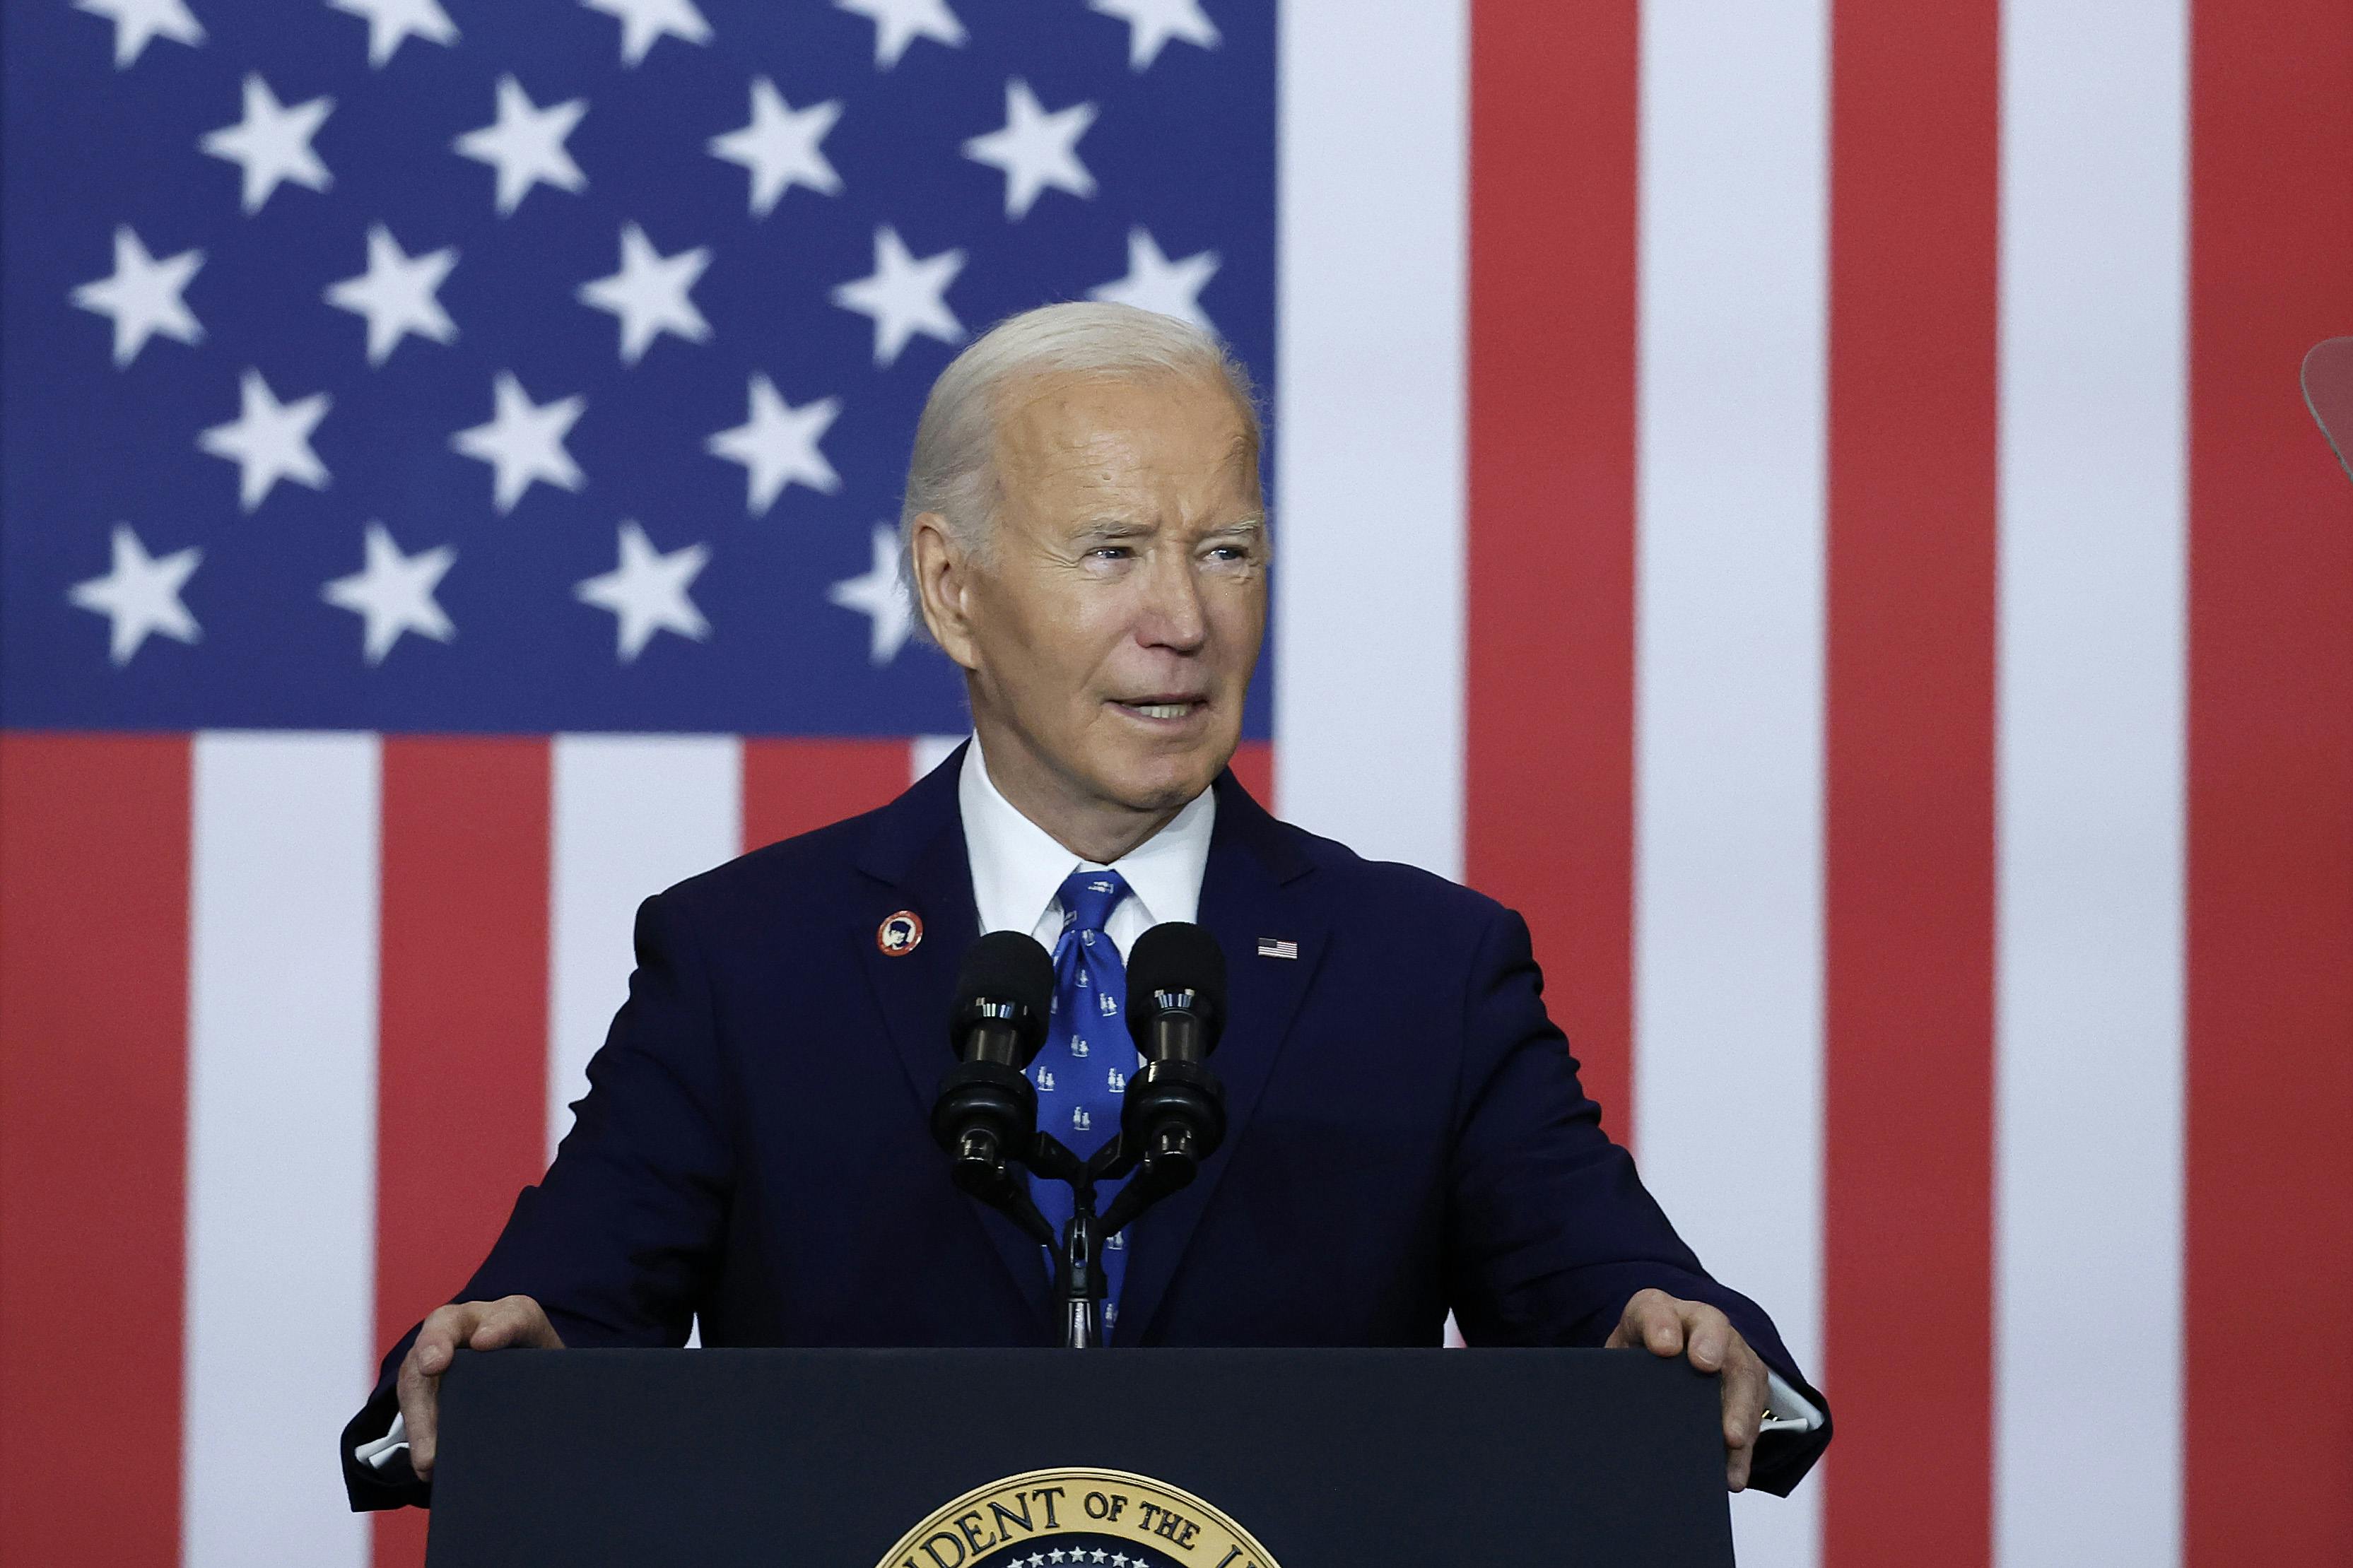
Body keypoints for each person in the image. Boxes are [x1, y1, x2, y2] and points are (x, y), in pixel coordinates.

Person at [341, 302, 1831, 1509]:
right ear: (953, 592)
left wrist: (1676, 1339)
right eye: (1114, 551)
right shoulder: (748, 959)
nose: (1183, 621)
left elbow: (1608, 1288)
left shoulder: (1424, 969)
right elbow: (562, 1313)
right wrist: (499, 1356)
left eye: (1227, 551)